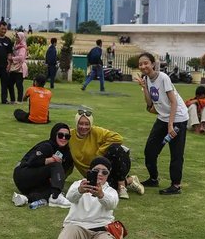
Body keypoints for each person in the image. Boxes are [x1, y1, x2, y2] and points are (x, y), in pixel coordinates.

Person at [135, 52, 188, 195]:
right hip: (163, 118)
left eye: (146, 63)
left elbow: (173, 102)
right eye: (140, 64)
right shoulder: (146, 79)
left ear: (152, 64)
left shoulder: (163, 77)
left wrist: (171, 125)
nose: (143, 66)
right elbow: (149, 103)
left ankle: (176, 186)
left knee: (176, 154)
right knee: (150, 150)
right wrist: (144, 87)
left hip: (178, 119)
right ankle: (153, 179)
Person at [69, 110, 144, 199]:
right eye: (80, 123)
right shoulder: (69, 135)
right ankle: (130, 180)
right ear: (76, 123)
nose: (83, 127)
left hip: (105, 168)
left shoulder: (96, 131)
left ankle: (122, 185)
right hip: (91, 173)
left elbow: (118, 138)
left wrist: (100, 153)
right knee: (104, 188)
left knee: (116, 148)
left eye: (87, 124)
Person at [12, 123, 73, 208]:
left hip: (35, 183)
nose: (63, 138)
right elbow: (31, 162)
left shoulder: (66, 152)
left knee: (52, 189)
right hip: (23, 174)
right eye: (60, 135)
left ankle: (25, 198)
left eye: (67, 136)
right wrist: (50, 160)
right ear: (54, 135)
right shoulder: (47, 146)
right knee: (55, 164)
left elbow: (64, 170)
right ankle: (56, 196)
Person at [58, 157, 119, 239]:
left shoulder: (110, 191)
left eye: (104, 172)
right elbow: (70, 197)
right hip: (76, 226)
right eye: (96, 171)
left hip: (102, 229)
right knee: (68, 234)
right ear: (90, 171)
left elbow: (112, 205)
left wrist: (101, 195)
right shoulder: (79, 184)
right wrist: (79, 190)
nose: (100, 174)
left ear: (108, 174)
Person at [7, 32, 28, 104]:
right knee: (10, 83)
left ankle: (19, 100)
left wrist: (12, 58)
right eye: (16, 37)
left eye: (18, 37)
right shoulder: (15, 46)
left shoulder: (22, 47)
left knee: (19, 84)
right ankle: (12, 99)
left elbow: (21, 57)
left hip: (20, 68)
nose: (16, 38)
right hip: (14, 67)